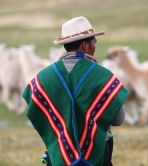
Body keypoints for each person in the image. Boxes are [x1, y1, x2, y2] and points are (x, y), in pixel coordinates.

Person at [22, 16, 129, 166]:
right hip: (96, 156)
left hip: (58, 155)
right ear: (85, 45)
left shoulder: (43, 78)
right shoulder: (103, 76)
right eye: (93, 40)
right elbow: (119, 118)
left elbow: (36, 119)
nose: (96, 43)